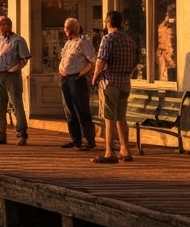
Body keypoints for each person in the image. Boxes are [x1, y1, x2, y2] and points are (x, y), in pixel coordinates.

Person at [92, 10, 139, 164]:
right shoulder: (129, 40)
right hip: (125, 82)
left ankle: (109, 152)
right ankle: (124, 149)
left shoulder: (108, 39)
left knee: (109, 118)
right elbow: (136, 60)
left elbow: (101, 60)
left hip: (110, 82)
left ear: (108, 22)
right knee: (121, 117)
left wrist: (95, 76)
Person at [0, 15, 30, 146]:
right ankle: (0, 134)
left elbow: (25, 58)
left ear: (7, 26)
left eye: (1, 25)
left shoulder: (18, 40)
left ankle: (21, 134)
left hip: (12, 76)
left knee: (16, 104)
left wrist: (15, 68)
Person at [57, 17, 96, 151]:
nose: (66, 31)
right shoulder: (69, 43)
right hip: (65, 78)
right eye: (66, 28)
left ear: (74, 29)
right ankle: (76, 139)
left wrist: (80, 74)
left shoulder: (83, 42)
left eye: (68, 28)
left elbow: (92, 61)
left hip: (77, 79)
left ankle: (88, 140)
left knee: (81, 109)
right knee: (69, 110)